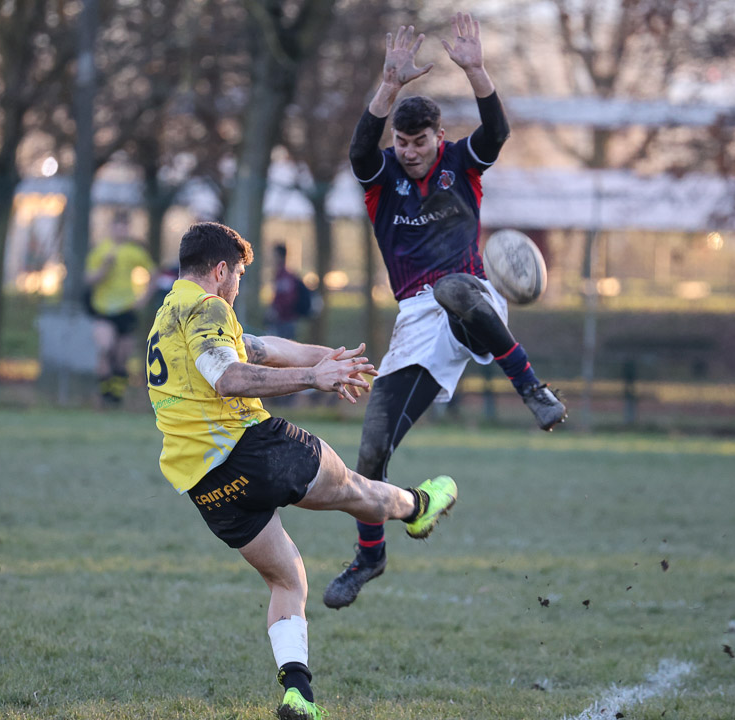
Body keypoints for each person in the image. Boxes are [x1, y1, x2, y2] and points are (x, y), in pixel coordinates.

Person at [145, 222, 458, 720]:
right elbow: (229, 376)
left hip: (205, 484)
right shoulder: (208, 307)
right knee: (357, 491)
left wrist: (328, 358)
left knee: (287, 579)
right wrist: (315, 377)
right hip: (253, 449)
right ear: (222, 270)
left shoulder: (168, 315)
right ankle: (418, 508)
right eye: (240, 275)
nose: (238, 285)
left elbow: (259, 347)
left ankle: (298, 694)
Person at [322, 14, 566, 611]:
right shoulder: (382, 178)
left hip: (472, 299)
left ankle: (531, 387)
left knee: (455, 287)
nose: (408, 153)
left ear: (437, 136)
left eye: (419, 142)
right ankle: (370, 556)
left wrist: (477, 70)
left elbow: (498, 130)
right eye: (401, 143)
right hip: (416, 323)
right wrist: (387, 85)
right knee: (372, 451)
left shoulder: (463, 164)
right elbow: (359, 147)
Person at [84, 208, 155, 405]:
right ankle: (105, 395)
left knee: (122, 356)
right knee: (105, 347)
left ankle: (116, 397)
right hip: (104, 309)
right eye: (118, 227)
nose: (121, 231)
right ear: (111, 228)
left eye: (125, 227)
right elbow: (89, 279)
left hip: (126, 309)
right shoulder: (101, 250)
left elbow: (153, 273)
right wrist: (104, 269)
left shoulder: (134, 251)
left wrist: (144, 298)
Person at [265, 244, 311, 340]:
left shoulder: (285, 276)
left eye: (275, 255)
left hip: (286, 319)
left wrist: (277, 311)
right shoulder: (279, 274)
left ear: (281, 256)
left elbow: (287, 298)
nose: (273, 259)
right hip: (282, 319)